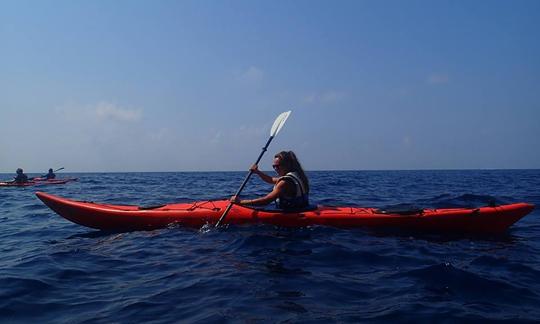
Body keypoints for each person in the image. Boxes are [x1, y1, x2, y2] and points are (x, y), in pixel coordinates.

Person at [231, 151, 309, 210]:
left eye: (278, 166)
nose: (275, 169)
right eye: (274, 166)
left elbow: (266, 200)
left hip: (291, 216)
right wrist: (258, 172)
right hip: (301, 209)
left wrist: (240, 202)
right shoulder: (297, 175)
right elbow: (271, 180)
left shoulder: (285, 183)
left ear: (287, 164)